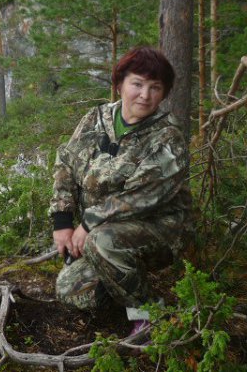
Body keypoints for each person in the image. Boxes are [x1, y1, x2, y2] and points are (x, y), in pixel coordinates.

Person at [48, 46, 191, 333]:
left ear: (163, 93)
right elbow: (66, 164)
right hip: (103, 232)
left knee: (102, 242)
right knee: (69, 288)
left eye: (155, 87)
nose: (145, 95)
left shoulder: (167, 138)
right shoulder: (96, 119)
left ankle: (149, 317)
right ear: (119, 85)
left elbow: (141, 198)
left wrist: (88, 224)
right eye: (137, 84)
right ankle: (123, 285)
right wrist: (62, 222)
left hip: (160, 230)